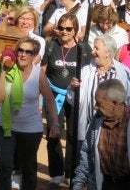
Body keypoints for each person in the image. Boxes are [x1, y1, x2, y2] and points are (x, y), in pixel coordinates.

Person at [72, 79, 130, 190]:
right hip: (102, 184)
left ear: (114, 103)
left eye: (99, 103)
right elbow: (87, 156)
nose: (95, 107)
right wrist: (78, 184)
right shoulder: (96, 121)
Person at [0, 38, 60, 190]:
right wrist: (4, 70)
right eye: (20, 51)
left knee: (28, 168)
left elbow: (49, 100)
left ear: (34, 55)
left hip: (30, 129)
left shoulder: (38, 74)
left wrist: (55, 122)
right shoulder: (5, 69)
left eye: (28, 52)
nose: (23, 55)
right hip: (4, 126)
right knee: (3, 166)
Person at [68, 36, 130, 160]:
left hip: (114, 133)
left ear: (108, 52)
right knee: (85, 165)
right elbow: (72, 101)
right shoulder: (85, 71)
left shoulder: (123, 72)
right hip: (88, 131)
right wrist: (72, 88)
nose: (92, 51)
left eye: (96, 48)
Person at [41, 14, 92, 187]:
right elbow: (42, 71)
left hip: (75, 96)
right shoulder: (51, 46)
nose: (64, 32)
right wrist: (39, 95)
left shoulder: (83, 49)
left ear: (75, 31)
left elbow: (90, 73)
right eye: (61, 28)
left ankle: (71, 172)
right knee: (53, 133)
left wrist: (82, 84)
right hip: (53, 96)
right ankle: (56, 171)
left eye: (69, 29)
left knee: (73, 134)